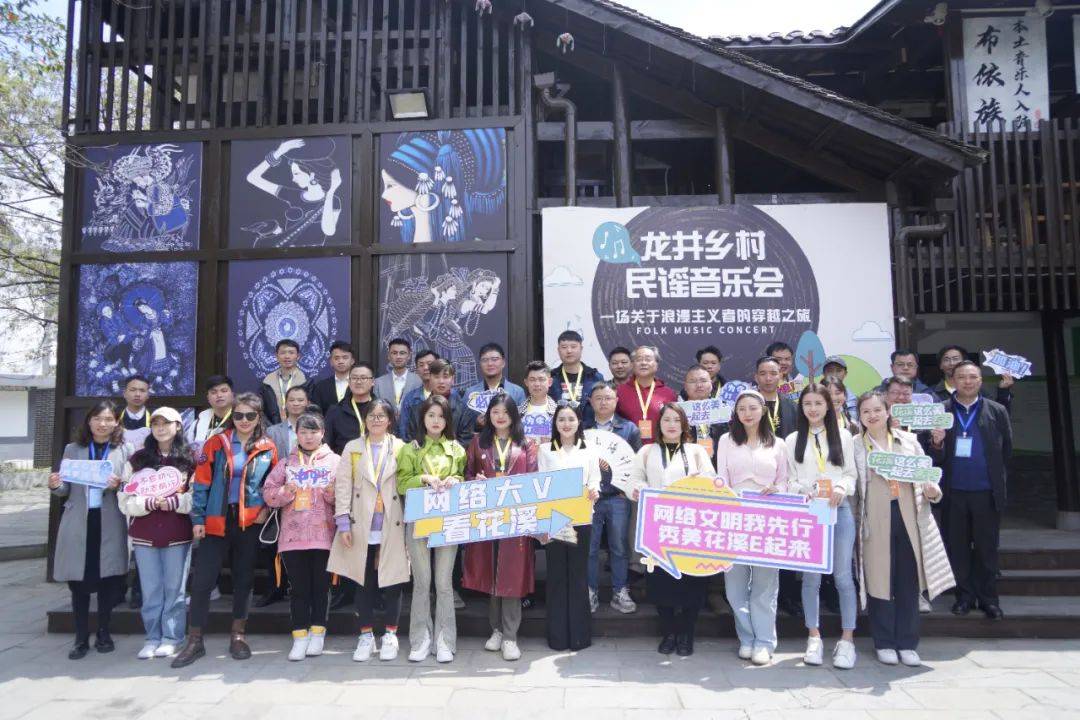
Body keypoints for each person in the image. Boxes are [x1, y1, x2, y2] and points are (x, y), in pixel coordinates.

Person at [172, 393, 279, 668]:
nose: (244, 420)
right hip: (216, 519)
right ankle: (195, 639)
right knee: (203, 580)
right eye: (239, 415)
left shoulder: (268, 447)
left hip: (248, 521)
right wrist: (197, 518)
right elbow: (202, 482)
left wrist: (266, 509)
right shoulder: (217, 443)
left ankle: (238, 635)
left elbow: (272, 483)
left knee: (244, 579)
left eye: (250, 415)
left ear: (259, 417)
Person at [854, 391, 953, 667]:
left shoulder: (908, 441)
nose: (872, 415)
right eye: (865, 411)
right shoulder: (855, 446)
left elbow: (926, 476)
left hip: (908, 517)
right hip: (873, 521)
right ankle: (884, 641)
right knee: (879, 581)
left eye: (877, 410)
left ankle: (907, 642)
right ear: (859, 416)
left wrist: (933, 490)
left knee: (908, 582)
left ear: (888, 412)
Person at [49, 401, 132, 660]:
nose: (102, 424)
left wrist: (120, 485)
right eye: (97, 418)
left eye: (108, 419)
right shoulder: (73, 449)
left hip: (109, 521)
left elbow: (132, 486)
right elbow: (64, 489)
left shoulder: (125, 449)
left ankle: (104, 633)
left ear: (116, 422)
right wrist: (55, 484)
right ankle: (81, 638)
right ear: (89, 421)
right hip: (79, 522)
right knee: (79, 583)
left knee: (108, 580)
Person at [930, 360, 1012, 620]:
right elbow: (933, 456)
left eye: (973, 377)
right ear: (952, 380)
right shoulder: (941, 411)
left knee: (987, 548)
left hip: (986, 492)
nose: (967, 381)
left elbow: (1006, 450)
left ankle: (989, 599)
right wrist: (937, 444)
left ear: (980, 380)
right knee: (958, 547)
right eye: (962, 377)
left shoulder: (996, 410)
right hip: (953, 491)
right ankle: (964, 597)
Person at [631, 403, 715, 656]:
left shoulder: (696, 451)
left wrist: (699, 485)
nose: (671, 425)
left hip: (689, 526)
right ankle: (668, 632)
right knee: (660, 582)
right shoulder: (647, 451)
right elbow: (634, 479)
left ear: (684, 424)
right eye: (666, 420)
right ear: (659, 424)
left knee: (692, 581)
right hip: (658, 525)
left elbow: (712, 482)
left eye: (677, 420)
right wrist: (638, 489)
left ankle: (686, 634)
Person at [329, 400, 410, 662]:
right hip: (360, 522)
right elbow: (343, 486)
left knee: (393, 580)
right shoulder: (352, 448)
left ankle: (390, 634)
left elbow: (406, 484)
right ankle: (365, 635)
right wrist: (343, 522)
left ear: (390, 420)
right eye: (372, 416)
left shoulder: (401, 447)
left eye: (381, 416)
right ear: (364, 419)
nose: (376, 420)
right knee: (362, 581)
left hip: (392, 522)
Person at [784, 384, 858, 669]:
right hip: (810, 512)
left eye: (818, 403)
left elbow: (850, 474)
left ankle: (847, 640)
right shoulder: (793, 439)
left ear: (829, 406)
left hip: (839, 510)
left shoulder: (844, 436)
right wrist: (802, 491)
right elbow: (790, 480)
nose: (813, 409)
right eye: (807, 404)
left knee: (843, 576)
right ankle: (813, 636)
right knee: (811, 578)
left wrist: (840, 487)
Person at [715, 390, 788, 666]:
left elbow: (785, 480)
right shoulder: (726, 441)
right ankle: (746, 637)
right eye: (742, 408)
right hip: (734, 517)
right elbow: (721, 479)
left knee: (764, 586)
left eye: (753, 408)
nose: (747, 413)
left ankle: (764, 642)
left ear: (763, 411)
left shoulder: (778, 444)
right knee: (734, 586)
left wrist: (777, 489)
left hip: (768, 519)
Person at [462, 394, 538, 661]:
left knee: (512, 575)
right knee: (492, 571)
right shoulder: (478, 442)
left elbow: (534, 479)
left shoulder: (526, 443)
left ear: (514, 415)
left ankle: (510, 636)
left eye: (505, 412)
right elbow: (467, 474)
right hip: (487, 516)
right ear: (488, 416)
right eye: (495, 412)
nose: (500, 416)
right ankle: (495, 629)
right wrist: (476, 480)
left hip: (516, 517)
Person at [261, 412, 340, 661]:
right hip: (292, 537)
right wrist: (286, 491)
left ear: (322, 433)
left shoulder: (335, 462)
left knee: (321, 587)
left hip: (324, 535)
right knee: (298, 588)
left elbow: (346, 496)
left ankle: (318, 632)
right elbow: (268, 493)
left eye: (313, 431)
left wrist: (331, 493)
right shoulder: (286, 463)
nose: (308, 437)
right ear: (296, 434)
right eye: (303, 432)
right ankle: (299, 636)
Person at [117, 407, 194, 660]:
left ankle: (172, 638)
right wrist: (145, 503)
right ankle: (152, 637)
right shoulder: (138, 460)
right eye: (156, 423)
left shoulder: (189, 459)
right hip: (144, 534)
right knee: (150, 590)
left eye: (166, 423)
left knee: (175, 589)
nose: (161, 428)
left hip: (177, 533)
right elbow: (124, 499)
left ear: (178, 426)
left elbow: (197, 496)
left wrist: (175, 502)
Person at [397, 394, 467, 663]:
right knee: (422, 581)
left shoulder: (457, 449)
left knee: (444, 582)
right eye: (431, 415)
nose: (436, 421)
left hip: (448, 521)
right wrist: (423, 478)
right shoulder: (410, 449)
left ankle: (445, 639)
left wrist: (455, 480)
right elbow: (402, 484)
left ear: (447, 420)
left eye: (441, 416)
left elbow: (463, 478)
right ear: (422, 418)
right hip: (418, 520)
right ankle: (421, 638)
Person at [539, 403, 601, 651]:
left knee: (578, 575)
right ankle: (557, 636)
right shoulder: (545, 450)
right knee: (556, 575)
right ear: (555, 423)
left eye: (571, 419)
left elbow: (594, 478)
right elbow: (541, 484)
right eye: (561, 419)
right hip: (555, 519)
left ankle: (579, 636)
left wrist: (595, 490)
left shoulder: (589, 448)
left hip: (581, 517)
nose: (566, 424)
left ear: (579, 422)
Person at [583, 381, 641, 615]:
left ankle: (620, 591)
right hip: (589, 497)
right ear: (590, 402)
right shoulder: (581, 428)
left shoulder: (629, 429)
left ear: (617, 401)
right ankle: (590, 591)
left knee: (619, 546)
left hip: (618, 496)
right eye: (598, 398)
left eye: (608, 398)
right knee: (590, 547)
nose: (603, 402)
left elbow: (636, 463)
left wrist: (629, 488)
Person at [754, 355, 801, 618]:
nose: (768, 378)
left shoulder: (792, 406)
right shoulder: (748, 405)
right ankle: (758, 597)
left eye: (773, 373)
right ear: (756, 376)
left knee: (785, 540)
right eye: (763, 373)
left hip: (785, 481)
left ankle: (788, 596)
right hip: (755, 485)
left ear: (781, 376)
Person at [401, 359, 476, 444]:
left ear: (453, 379)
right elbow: (410, 439)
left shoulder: (464, 411)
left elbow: (465, 441)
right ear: (430, 378)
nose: (441, 381)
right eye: (436, 377)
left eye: (445, 377)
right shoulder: (417, 408)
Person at [615, 346, 678, 445]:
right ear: (632, 365)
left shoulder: (669, 394)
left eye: (648, 359)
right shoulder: (620, 392)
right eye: (639, 359)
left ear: (656, 365)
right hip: (628, 449)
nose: (643, 363)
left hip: (660, 448)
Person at [932, 345, 1014, 412]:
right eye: (946, 360)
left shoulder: (980, 392)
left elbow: (999, 416)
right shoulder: (931, 394)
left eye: (955, 359)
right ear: (940, 365)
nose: (951, 363)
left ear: (964, 363)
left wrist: (1003, 391)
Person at [548, 331, 606, 419]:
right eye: (564, 347)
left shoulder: (595, 377)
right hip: (559, 425)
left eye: (573, 346)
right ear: (558, 350)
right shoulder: (551, 378)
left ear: (581, 348)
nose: (569, 351)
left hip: (589, 426)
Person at [681, 364, 728, 466]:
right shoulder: (678, 412)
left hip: (721, 467)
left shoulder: (724, 410)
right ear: (685, 386)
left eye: (703, 381)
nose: (699, 385)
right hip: (687, 467)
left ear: (711, 384)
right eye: (693, 381)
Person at [324, 363, 375, 454]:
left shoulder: (382, 410)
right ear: (349, 381)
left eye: (363, 378)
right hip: (344, 460)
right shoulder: (335, 411)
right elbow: (326, 444)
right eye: (354, 378)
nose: (359, 382)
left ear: (373, 382)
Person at [259, 339, 308, 426]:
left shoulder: (306, 382)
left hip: (300, 428)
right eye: (283, 353)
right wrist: (272, 428)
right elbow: (261, 411)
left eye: (291, 353)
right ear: (276, 356)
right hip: (272, 428)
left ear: (298, 356)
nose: (287, 356)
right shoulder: (267, 382)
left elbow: (310, 410)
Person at [465, 342, 526, 407]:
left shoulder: (517, 392)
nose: (490, 364)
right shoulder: (470, 392)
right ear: (480, 364)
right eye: (485, 360)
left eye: (494, 359)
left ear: (503, 363)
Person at [397, 350, 440, 439]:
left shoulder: (450, 396)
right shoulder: (410, 398)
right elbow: (404, 431)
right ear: (416, 370)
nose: (426, 368)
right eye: (421, 365)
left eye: (430, 364)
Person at [374, 337, 422, 412]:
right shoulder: (378, 383)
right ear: (388, 356)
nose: (398, 357)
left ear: (409, 356)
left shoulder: (419, 381)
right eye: (394, 353)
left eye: (402, 353)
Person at [308, 341, 356, 414]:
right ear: (331, 362)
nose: (341, 361)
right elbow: (316, 413)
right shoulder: (321, 386)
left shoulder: (360, 383)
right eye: (336, 358)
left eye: (345, 357)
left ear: (352, 361)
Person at [187, 375, 236, 446]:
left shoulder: (241, 419)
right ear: (208, 398)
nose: (219, 395)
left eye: (224, 391)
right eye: (213, 392)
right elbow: (189, 448)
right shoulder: (197, 423)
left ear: (232, 395)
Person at [266, 385, 313, 460]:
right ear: (285, 403)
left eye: (300, 400)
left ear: (308, 403)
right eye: (291, 400)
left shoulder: (316, 431)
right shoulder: (272, 432)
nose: (296, 403)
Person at [521, 361, 557, 446]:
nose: (537, 384)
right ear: (526, 382)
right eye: (532, 380)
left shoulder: (558, 411)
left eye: (541, 379)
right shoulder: (517, 412)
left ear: (550, 382)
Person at [821, 356, 858, 421]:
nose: (834, 374)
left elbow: (853, 420)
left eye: (838, 371)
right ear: (823, 374)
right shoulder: (815, 394)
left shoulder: (852, 399)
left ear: (845, 374)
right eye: (830, 371)